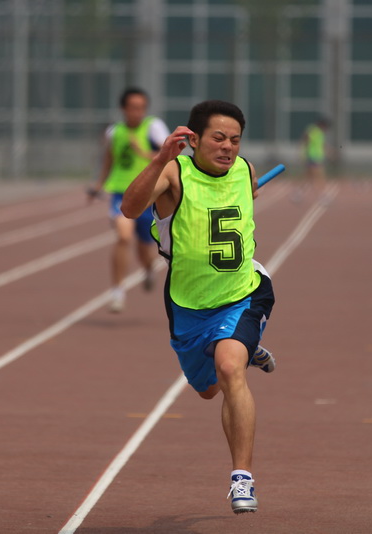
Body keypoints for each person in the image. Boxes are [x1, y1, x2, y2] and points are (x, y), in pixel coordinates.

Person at [122, 100, 276, 515]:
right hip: (188, 305)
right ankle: (247, 347)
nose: (228, 147)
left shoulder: (245, 169)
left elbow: (245, 199)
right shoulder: (175, 173)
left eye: (235, 140)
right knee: (208, 390)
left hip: (243, 292)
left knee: (229, 368)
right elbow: (130, 208)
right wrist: (158, 159)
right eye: (219, 138)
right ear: (194, 139)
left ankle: (241, 478)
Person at [89, 87, 169, 312]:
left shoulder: (153, 127)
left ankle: (148, 269)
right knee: (123, 237)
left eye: (142, 108)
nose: (138, 112)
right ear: (123, 109)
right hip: (120, 193)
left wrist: (142, 152)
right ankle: (117, 292)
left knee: (145, 250)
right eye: (133, 108)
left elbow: (171, 155)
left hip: (147, 194)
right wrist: (98, 185)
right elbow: (108, 160)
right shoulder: (114, 132)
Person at [291, 117, 329, 203]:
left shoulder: (320, 133)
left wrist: (330, 152)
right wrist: (302, 154)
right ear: (322, 125)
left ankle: (297, 194)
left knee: (308, 179)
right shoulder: (314, 131)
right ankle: (322, 196)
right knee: (319, 177)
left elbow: (322, 145)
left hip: (317, 157)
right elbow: (305, 141)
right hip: (313, 157)